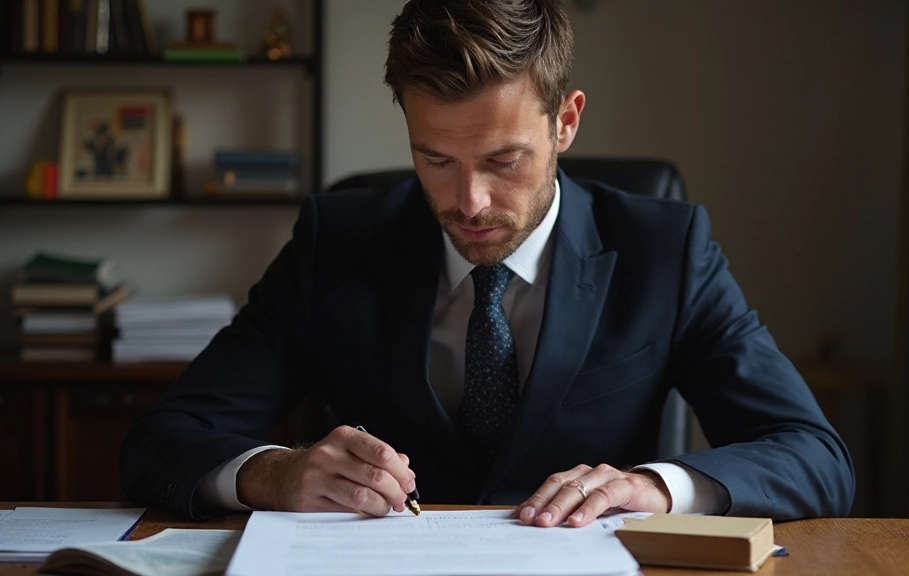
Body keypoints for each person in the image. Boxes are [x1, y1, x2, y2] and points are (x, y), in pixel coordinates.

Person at [121, 0, 854, 526]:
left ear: (565, 121)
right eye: (434, 159)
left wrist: (657, 488)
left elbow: (813, 456)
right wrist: (272, 472)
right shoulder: (334, 244)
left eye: (503, 161)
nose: (469, 201)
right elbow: (161, 440)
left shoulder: (666, 251)